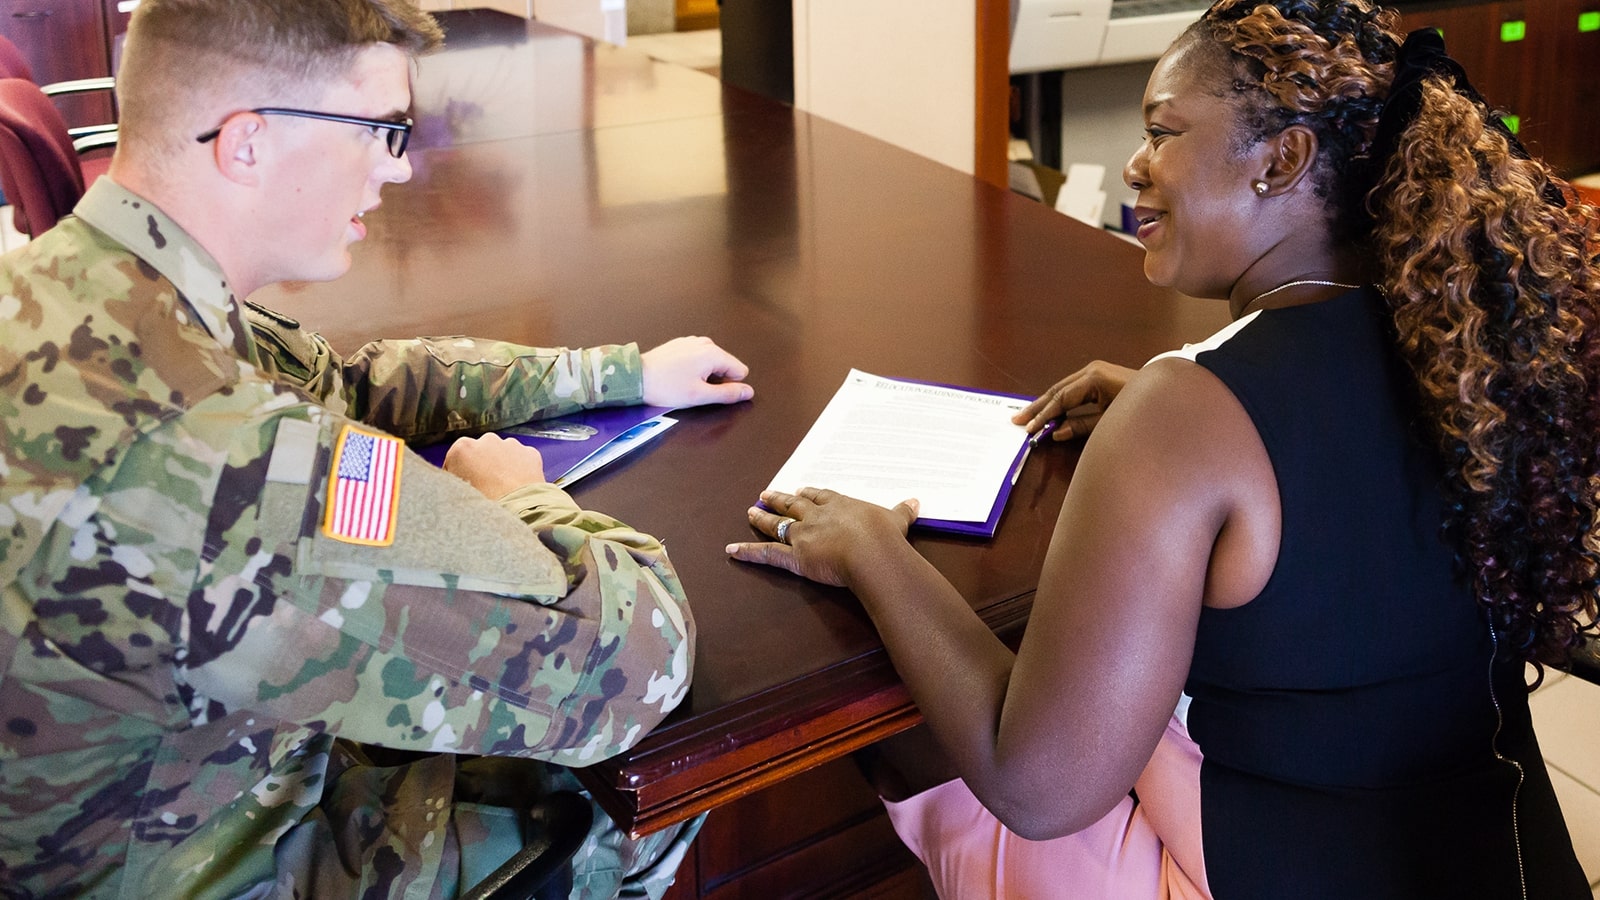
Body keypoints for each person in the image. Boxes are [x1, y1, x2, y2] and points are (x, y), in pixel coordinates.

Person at [727, 0, 1598, 896]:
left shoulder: (1189, 413)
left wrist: (874, 551)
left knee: (913, 729)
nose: (1137, 163)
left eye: (1163, 130)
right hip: (1501, 855)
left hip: (1282, 867)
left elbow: (1036, 785)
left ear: (1283, 159)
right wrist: (1177, 398)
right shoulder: (1464, 349)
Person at [0, 0, 753, 897]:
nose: (399, 167)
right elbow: (639, 662)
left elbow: (348, 386)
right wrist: (516, 496)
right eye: (382, 130)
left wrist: (612, 374)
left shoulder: (69, 286)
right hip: (200, 857)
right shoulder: (232, 465)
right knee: (659, 769)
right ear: (247, 142)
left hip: (97, 800)